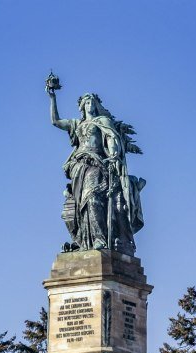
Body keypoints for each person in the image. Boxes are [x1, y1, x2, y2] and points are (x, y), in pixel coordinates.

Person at [47, 84, 145, 255]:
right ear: (82, 107)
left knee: (92, 197)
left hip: (97, 162)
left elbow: (111, 138)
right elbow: (55, 121)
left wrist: (113, 155)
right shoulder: (77, 124)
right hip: (78, 166)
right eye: (87, 102)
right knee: (77, 206)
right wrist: (52, 97)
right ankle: (85, 241)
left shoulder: (103, 121)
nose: (90, 105)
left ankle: (99, 238)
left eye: (92, 102)